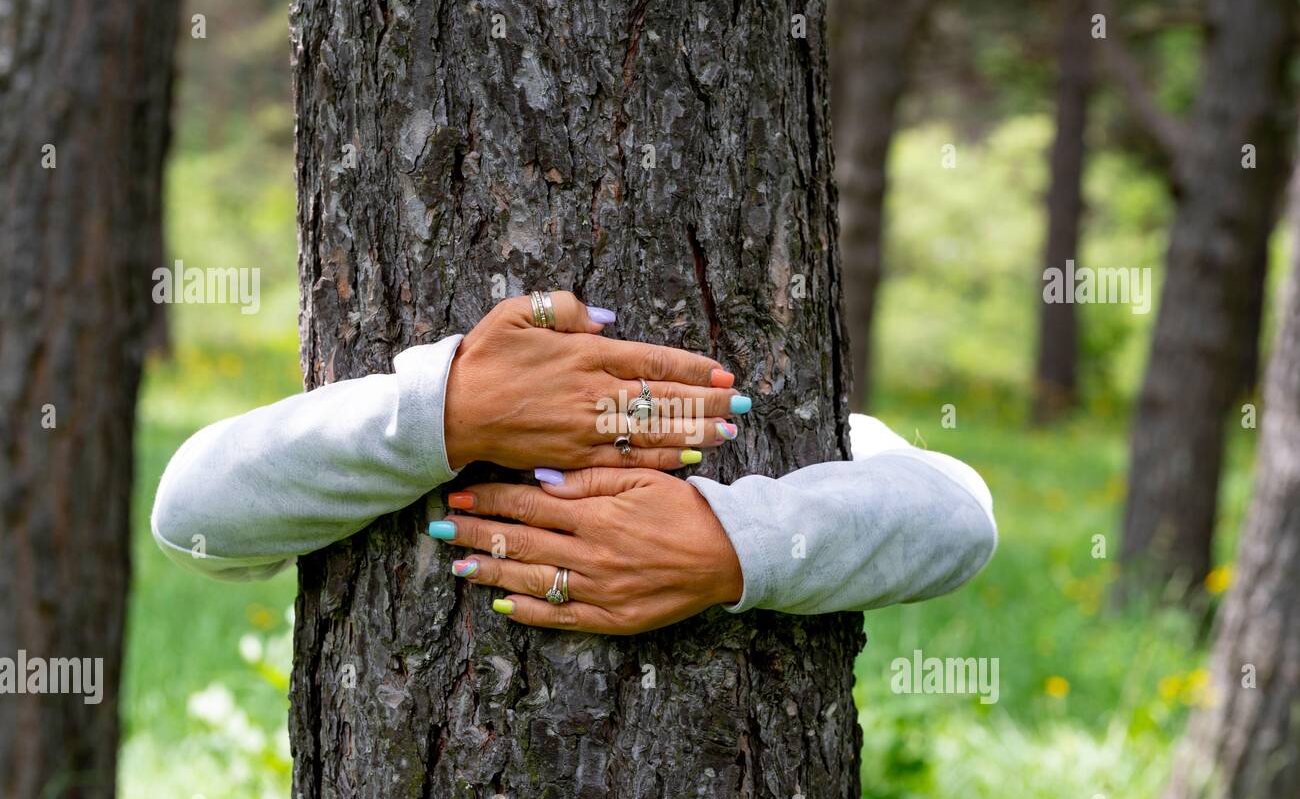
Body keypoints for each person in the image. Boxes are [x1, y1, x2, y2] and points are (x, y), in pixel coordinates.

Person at [153, 291, 997, 635]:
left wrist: (732, 544)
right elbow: (192, 514)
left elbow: (959, 513)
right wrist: (449, 412)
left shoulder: (798, 420)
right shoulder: (382, 403)